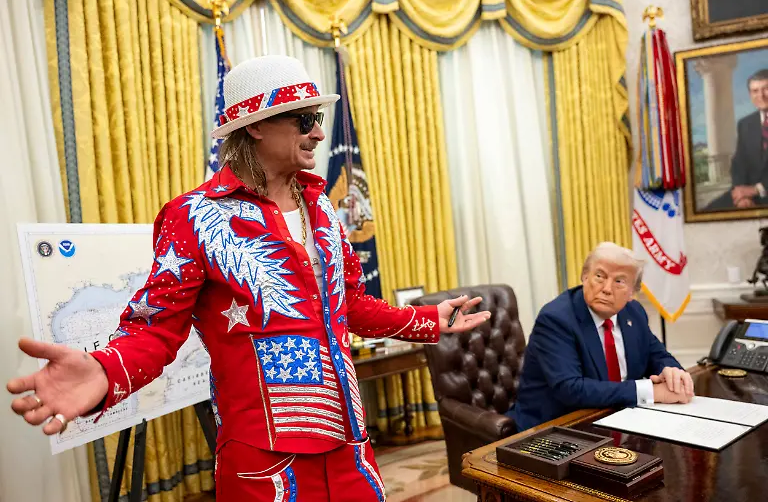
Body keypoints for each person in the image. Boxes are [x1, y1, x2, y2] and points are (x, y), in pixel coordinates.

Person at [6, 55, 491, 501]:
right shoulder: (194, 216)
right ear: (257, 126)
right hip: (265, 462)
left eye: (317, 119)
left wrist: (428, 320)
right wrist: (106, 369)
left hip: (350, 443)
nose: (318, 134)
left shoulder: (321, 207)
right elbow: (156, 327)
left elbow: (352, 306)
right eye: (304, 119)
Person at [507, 242, 693, 432]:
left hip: (619, 420)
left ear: (632, 293)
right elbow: (571, 389)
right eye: (599, 276)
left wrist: (672, 374)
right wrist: (650, 391)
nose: (606, 288)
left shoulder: (634, 312)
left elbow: (656, 354)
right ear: (584, 277)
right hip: (555, 429)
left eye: (619, 281)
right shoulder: (556, 318)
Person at [706, 69, 768, 210]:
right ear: (750, 95)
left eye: (766, 89)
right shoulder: (745, 124)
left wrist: (757, 189)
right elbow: (739, 162)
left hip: (761, 191)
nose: (761, 96)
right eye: (755, 91)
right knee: (709, 211)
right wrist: (741, 194)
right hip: (748, 193)